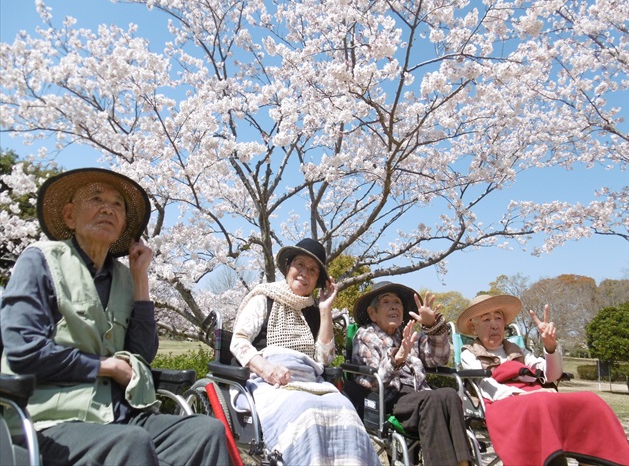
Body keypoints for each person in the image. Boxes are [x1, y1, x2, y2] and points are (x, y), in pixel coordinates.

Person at [0, 168, 229, 466]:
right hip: (49, 419)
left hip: (120, 415)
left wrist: (141, 279)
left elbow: (142, 353)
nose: (108, 207)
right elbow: (24, 351)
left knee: (206, 431)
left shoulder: (125, 277)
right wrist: (107, 366)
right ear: (70, 216)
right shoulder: (41, 259)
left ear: (122, 226)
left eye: (117, 204)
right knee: (130, 442)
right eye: (96, 199)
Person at [230, 238, 380, 465]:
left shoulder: (314, 310)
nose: (304, 273)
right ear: (288, 267)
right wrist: (266, 368)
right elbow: (238, 341)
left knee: (345, 409)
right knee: (305, 410)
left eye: (312, 270)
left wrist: (325, 310)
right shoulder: (264, 298)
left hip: (311, 381)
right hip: (269, 381)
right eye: (299, 265)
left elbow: (326, 359)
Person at [457, 294, 629, 466]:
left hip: (537, 397)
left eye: (498, 318)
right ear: (473, 327)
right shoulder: (470, 352)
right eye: (486, 319)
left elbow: (552, 375)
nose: (495, 325)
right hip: (501, 402)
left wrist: (551, 347)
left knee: (590, 400)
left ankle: (593, 461)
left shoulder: (518, 350)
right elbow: (485, 386)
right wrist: (524, 395)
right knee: (540, 402)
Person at [351, 281, 473, 466]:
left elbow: (438, 359)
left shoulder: (408, 333)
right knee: (430, 400)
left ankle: (464, 463)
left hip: (418, 395)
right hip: (388, 398)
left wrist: (432, 326)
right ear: (372, 313)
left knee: (449, 394)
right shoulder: (365, 336)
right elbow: (370, 381)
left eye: (397, 302)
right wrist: (396, 360)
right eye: (386, 302)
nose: (393, 306)